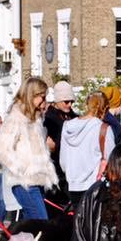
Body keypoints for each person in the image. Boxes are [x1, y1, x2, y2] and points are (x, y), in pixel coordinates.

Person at [0, 78, 58, 221]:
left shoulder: (36, 120)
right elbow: (1, 150)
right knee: (41, 223)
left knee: (33, 227)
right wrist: (20, 170)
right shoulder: (16, 118)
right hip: (25, 183)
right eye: (42, 96)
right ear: (32, 95)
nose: (44, 100)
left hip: (38, 181)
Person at [61, 91, 115, 203]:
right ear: (105, 108)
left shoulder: (67, 126)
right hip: (95, 185)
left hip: (72, 185)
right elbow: (112, 159)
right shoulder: (103, 128)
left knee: (78, 219)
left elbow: (63, 162)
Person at [44, 81, 77, 211]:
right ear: (57, 100)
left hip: (72, 169)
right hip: (57, 170)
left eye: (71, 101)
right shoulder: (50, 118)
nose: (69, 105)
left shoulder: (73, 116)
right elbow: (51, 144)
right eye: (66, 101)